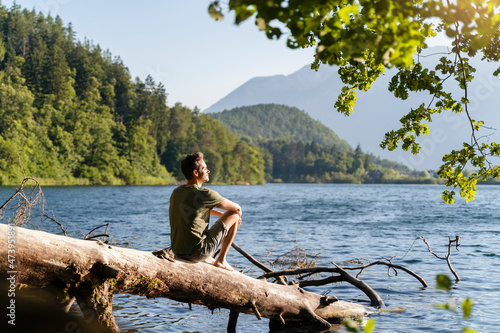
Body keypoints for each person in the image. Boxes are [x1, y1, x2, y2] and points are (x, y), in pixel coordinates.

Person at [169, 152, 242, 271]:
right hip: (196, 253)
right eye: (204, 168)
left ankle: (207, 256)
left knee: (230, 216)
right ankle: (221, 260)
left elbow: (199, 209)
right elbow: (237, 209)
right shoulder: (205, 194)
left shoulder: (177, 192)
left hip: (178, 251)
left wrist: (223, 216)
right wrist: (235, 220)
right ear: (195, 173)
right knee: (234, 215)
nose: (208, 171)